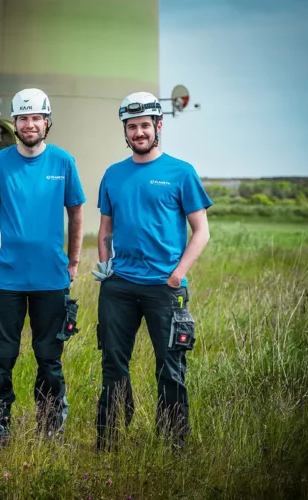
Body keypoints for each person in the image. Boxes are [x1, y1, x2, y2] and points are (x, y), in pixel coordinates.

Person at [92, 91, 212, 451]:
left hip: (165, 288)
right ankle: (108, 440)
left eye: (145, 125)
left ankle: (174, 443)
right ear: (125, 131)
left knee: (170, 366)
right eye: (132, 127)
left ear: (159, 125)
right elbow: (105, 228)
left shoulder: (181, 172)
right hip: (119, 286)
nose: (139, 132)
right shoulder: (113, 174)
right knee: (113, 363)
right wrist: (105, 266)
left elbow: (201, 231)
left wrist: (176, 276)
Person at [0, 88, 86, 449]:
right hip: (5, 278)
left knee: (49, 359)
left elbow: (76, 212)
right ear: (15, 123)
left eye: (36, 117)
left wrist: (73, 261)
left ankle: (50, 426)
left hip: (51, 278)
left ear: (47, 121)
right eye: (23, 118)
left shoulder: (63, 162)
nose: (30, 124)